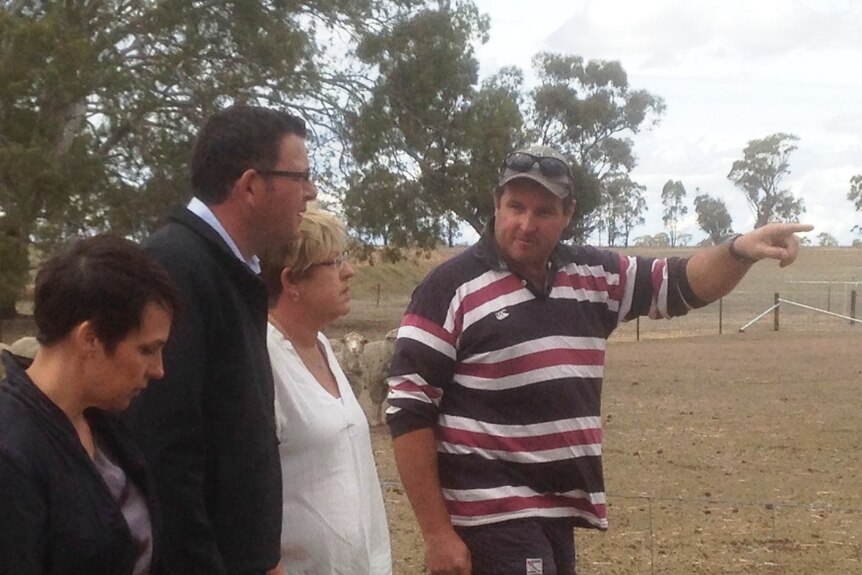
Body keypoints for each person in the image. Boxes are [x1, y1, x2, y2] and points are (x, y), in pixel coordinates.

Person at [385, 144, 813, 575]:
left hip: (557, 515)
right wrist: (437, 534)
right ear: (496, 203)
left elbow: (681, 284)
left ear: (568, 213)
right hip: (489, 519)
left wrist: (740, 249)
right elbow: (408, 413)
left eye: (544, 212)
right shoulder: (448, 288)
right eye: (515, 207)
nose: (526, 224)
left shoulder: (593, 276)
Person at [123, 104, 317, 575]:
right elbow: (167, 455)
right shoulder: (175, 270)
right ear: (251, 186)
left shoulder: (230, 269)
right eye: (302, 176)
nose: (312, 193)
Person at [0, 234, 179, 574]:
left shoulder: (101, 422)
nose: (158, 370)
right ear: (90, 338)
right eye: (146, 349)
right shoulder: (12, 454)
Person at [259, 210, 392, 574]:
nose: (349, 271)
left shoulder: (321, 345)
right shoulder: (262, 359)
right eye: (334, 263)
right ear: (292, 282)